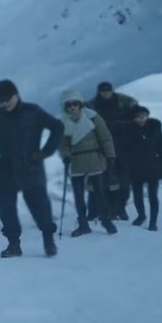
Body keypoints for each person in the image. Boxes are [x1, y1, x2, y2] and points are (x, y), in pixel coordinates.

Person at [0, 79, 63, 257]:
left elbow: (57, 127)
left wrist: (45, 152)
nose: (4, 104)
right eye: (0, 101)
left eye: (7, 99)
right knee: (6, 209)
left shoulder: (32, 112)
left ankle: (49, 241)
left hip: (31, 167)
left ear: (16, 95)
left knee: (40, 206)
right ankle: (14, 245)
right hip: (6, 169)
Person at [57, 89, 119, 237]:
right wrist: (65, 156)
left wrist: (110, 155)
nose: (72, 107)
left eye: (75, 103)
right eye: (69, 104)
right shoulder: (62, 122)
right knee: (78, 196)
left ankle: (106, 221)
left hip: (94, 158)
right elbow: (62, 144)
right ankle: (83, 224)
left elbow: (105, 137)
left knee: (100, 193)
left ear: (80, 104)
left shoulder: (93, 117)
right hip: (76, 160)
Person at [86, 81, 141, 219]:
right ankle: (96, 210)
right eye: (103, 91)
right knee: (97, 179)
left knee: (123, 180)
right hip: (100, 147)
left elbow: (136, 119)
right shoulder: (92, 106)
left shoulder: (124, 104)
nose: (106, 93)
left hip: (122, 147)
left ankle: (119, 209)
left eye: (108, 90)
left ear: (112, 90)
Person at [125, 106, 162, 230]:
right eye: (138, 115)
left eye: (143, 115)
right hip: (135, 166)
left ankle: (153, 222)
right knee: (137, 194)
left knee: (152, 195)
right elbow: (124, 148)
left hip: (152, 165)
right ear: (134, 118)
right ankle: (141, 215)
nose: (141, 117)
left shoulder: (154, 128)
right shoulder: (128, 130)